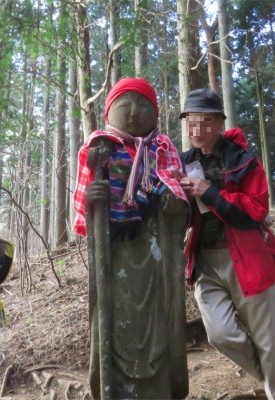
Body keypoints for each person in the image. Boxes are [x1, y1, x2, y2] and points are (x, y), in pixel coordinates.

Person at [178, 88, 275, 400]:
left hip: (247, 258)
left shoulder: (242, 160)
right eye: (191, 122)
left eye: (205, 122)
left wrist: (210, 193)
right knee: (220, 334)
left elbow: (256, 211)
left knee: (269, 343)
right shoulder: (182, 163)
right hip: (205, 261)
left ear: (220, 122)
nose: (197, 130)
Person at [73, 77, 189, 399]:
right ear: (110, 112)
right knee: (116, 322)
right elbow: (87, 212)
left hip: (156, 256)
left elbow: (179, 199)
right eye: (126, 105)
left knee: (159, 326)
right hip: (116, 255)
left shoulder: (163, 150)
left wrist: (172, 206)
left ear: (154, 110)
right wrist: (94, 200)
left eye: (142, 105)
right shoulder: (101, 151)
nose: (134, 112)